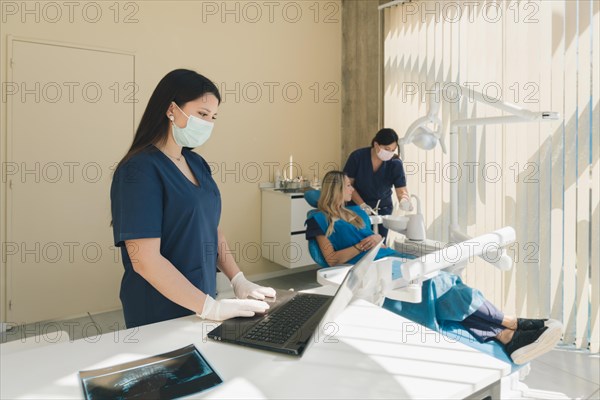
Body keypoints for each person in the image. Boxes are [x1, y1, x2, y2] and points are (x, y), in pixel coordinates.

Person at [305, 170, 562, 365]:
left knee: (445, 282)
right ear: (337, 189)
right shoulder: (317, 220)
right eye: (348, 186)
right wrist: (363, 245)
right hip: (369, 269)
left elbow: (377, 242)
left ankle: (506, 335)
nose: (353, 189)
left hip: (389, 258)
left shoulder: (357, 214)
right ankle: (512, 324)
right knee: (439, 284)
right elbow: (332, 259)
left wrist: (375, 241)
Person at [111, 69, 276, 329]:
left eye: (213, 117)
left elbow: (211, 229)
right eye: (201, 114)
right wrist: (210, 308)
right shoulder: (138, 170)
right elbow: (144, 260)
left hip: (200, 299)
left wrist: (238, 280)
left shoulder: (197, 164)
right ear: (171, 109)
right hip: (158, 309)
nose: (208, 123)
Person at [343, 128, 413, 239]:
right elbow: (347, 185)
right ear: (376, 144)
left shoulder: (395, 163)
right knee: (360, 242)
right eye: (387, 149)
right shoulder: (357, 157)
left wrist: (404, 200)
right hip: (357, 206)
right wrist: (362, 205)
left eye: (393, 150)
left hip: (383, 209)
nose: (389, 153)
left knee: (380, 243)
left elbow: (401, 189)